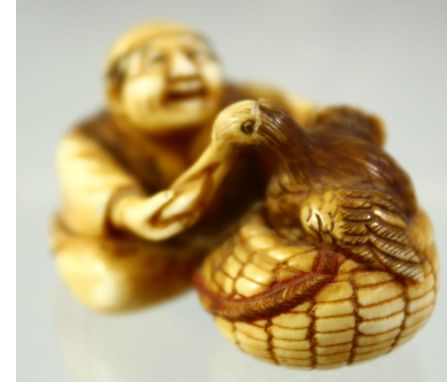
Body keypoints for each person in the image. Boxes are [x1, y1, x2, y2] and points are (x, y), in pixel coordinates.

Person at [51, 22, 322, 312]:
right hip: (153, 250)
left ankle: (244, 260)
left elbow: (330, 128)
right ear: (117, 93)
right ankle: (221, 267)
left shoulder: (252, 101)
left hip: (254, 224)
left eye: (199, 57)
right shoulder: (87, 143)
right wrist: (223, 149)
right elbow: (147, 220)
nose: (184, 71)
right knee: (113, 286)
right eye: (156, 61)